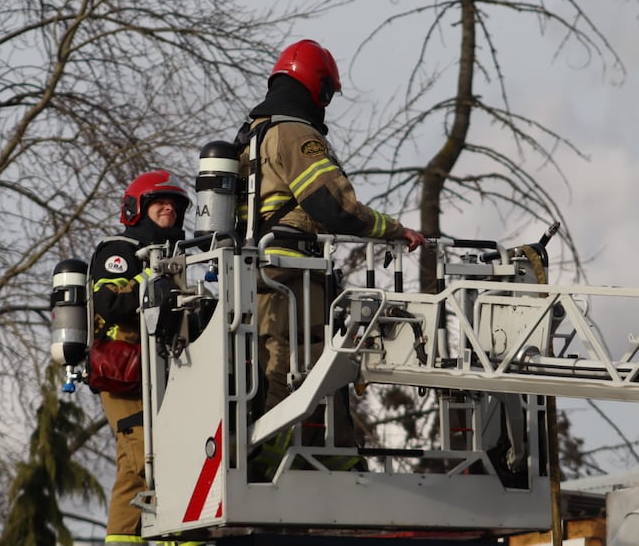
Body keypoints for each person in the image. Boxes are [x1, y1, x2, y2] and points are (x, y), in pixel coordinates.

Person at [236, 39, 426, 470]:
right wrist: (395, 230)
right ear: (316, 87)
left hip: (260, 273)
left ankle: (334, 461)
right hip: (293, 273)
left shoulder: (252, 134)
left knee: (296, 366)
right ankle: (274, 469)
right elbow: (333, 208)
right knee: (299, 370)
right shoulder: (296, 133)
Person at [89, 170, 189, 545]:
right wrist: (155, 285)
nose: (169, 208)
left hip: (168, 371)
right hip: (124, 373)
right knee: (152, 458)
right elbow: (111, 304)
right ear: (137, 208)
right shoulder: (119, 249)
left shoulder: (182, 256)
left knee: (136, 469)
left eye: (176, 204)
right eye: (159, 202)